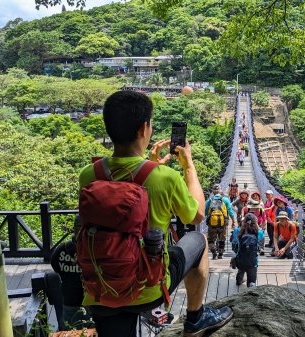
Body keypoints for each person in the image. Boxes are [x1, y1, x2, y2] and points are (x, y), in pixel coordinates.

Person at [78, 91, 232, 337]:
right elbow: (197, 215)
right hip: (148, 286)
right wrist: (188, 166)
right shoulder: (164, 177)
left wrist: (148, 166)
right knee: (200, 240)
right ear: (144, 128)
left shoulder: (88, 174)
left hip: (100, 285)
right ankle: (196, 317)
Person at [205, 183, 237, 259]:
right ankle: (220, 254)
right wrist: (233, 221)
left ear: (213, 191)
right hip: (223, 223)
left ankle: (213, 250)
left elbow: (206, 212)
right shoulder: (225, 200)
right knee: (222, 239)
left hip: (212, 223)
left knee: (211, 239)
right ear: (220, 191)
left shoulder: (210, 200)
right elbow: (230, 211)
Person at [232, 213, 262, 287]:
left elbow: (234, 242)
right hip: (252, 261)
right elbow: (261, 236)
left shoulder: (238, 230)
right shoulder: (258, 232)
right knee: (251, 282)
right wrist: (257, 226)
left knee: (241, 269)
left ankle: (239, 281)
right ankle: (250, 286)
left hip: (240, 258)